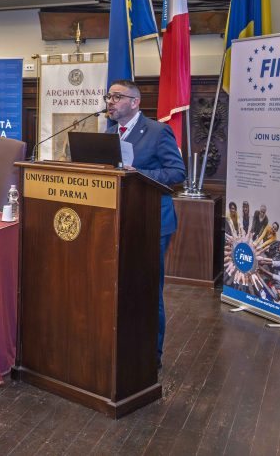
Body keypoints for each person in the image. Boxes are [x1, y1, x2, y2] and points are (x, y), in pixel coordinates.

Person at [105, 79, 186, 368]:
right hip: (118, 221)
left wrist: (137, 173)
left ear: (135, 102)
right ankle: (125, 346)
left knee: (148, 289)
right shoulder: (109, 132)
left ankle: (152, 356)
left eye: (117, 97)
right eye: (109, 96)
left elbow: (177, 173)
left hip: (152, 222)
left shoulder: (157, 131)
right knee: (121, 287)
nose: (110, 102)